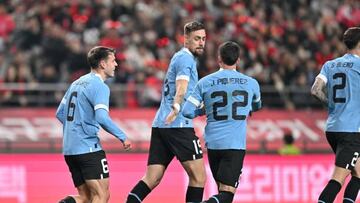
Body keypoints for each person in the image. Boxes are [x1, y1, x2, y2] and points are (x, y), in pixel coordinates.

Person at [126, 21, 207, 203]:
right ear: (185, 39)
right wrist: (177, 107)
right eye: (196, 39)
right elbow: (182, 87)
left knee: (152, 178)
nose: (201, 43)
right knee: (199, 177)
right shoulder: (185, 59)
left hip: (161, 124)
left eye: (203, 39)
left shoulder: (180, 58)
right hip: (178, 124)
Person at [182, 41, 262, 203]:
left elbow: (187, 111)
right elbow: (257, 105)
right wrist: (248, 108)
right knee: (227, 194)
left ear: (219, 59)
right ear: (238, 60)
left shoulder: (204, 82)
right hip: (235, 145)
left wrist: (202, 110)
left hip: (213, 144)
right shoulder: (252, 83)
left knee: (221, 190)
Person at [56, 46, 131, 203]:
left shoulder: (76, 83)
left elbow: (60, 113)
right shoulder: (100, 86)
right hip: (88, 148)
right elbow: (102, 118)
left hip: (70, 149)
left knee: (85, 197)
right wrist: (122, 136)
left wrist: (77, 128)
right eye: (113, 61)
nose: (116, 64)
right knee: (101, 195)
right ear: (103, 64)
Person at [311, 27, 360, 203]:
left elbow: (316, 90)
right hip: (352, 131)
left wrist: (332, 105)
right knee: (338, 178)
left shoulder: (330, 64)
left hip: (332, 128)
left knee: (358, 173)